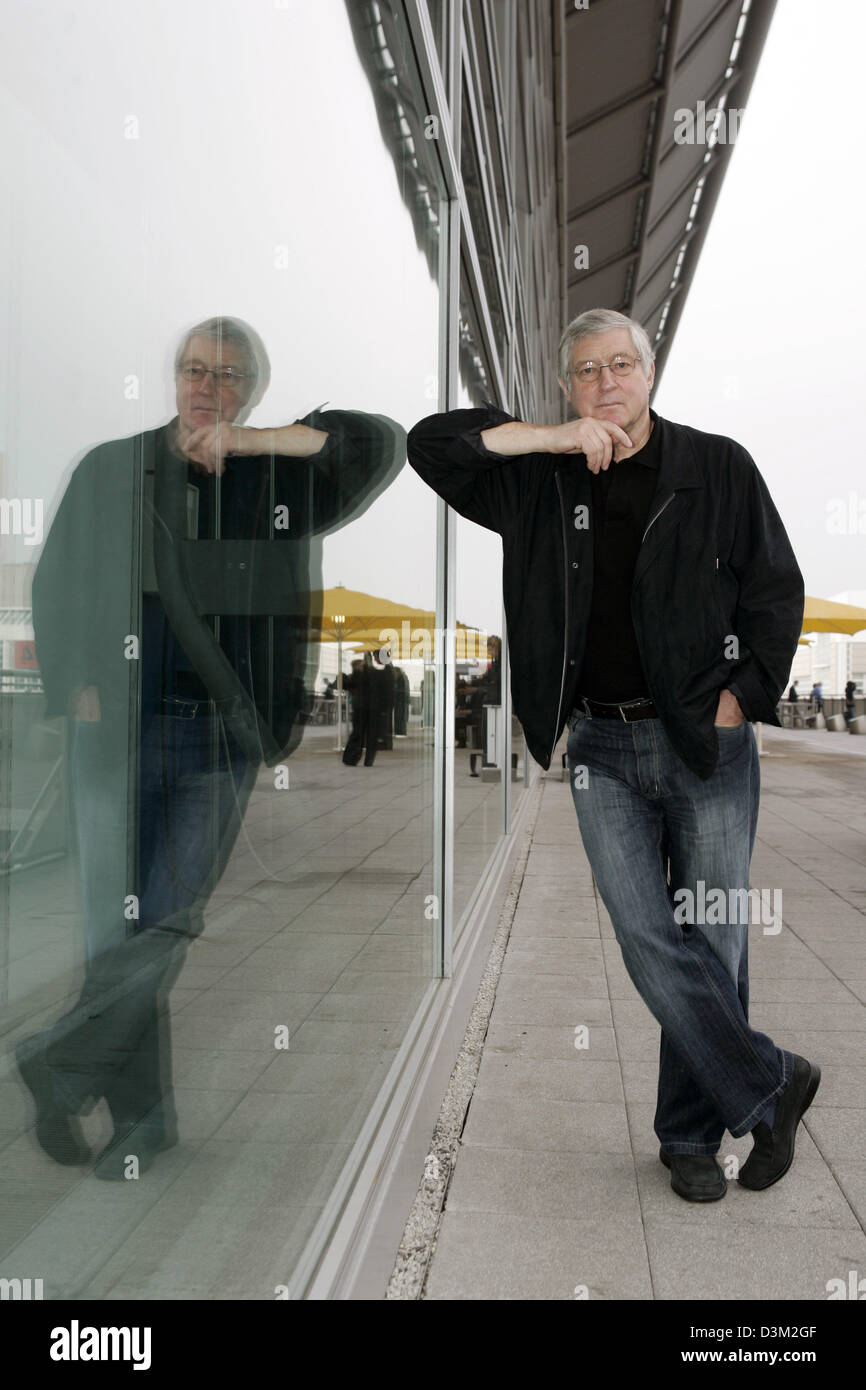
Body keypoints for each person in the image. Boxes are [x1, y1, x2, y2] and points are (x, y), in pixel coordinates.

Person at [407, 306, 818, 1203]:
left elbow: (777, 593)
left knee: (712, 940)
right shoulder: (539, 480)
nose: (607, 382)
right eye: (587, 371)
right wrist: (552, 438)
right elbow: (431, 444)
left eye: (621, 364)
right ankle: (769, 1083)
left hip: (702, 743)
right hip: (598, 741)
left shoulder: (718, 466)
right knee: (645, 935)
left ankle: (689, 1140)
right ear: (568, 387)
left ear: (652, 370)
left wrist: (738, 702)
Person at [21, 316, 404, 1177]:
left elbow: (383, 443)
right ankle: (138, 1122)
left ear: (253, 390)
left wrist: (254, 440)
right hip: (112, 737)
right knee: (114, 936)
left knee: (165, 920)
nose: (208, 388)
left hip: (220, 738)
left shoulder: (282, 476)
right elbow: (58, 578)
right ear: (174, 377)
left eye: (229, 377)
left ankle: (61, 1063)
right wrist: (79, 681)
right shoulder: (113, 466)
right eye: (196, 371)